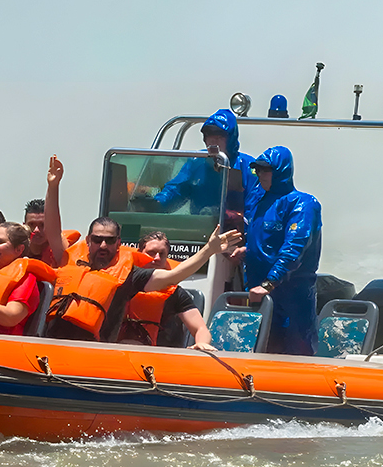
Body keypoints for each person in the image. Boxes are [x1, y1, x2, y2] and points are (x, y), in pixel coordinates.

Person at [43, 155, 239, 341]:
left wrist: (208, 250)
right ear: (89, 240)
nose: (103, 245)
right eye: (98, 239)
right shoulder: (69, 258)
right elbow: (52, 231)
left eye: (110, 240)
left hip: (96, 349)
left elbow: (173, 276)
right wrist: (53, 186)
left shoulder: (130, 275)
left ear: (119, 243)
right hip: (52, 345)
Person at [229, 145, 322, 355]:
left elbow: (294, 247)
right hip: (258, 292)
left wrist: (269, 282)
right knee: (260, 348)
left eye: (265, 170)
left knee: (295, 352)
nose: (259, 174)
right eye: (257, 170)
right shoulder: (259, 203)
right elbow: (265, 240)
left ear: (281, 171)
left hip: (291, 297)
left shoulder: (303, 204)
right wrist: (248, 251)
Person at [143, 108, 257, 217]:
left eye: (219, 136)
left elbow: (256, 205)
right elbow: (176, 190)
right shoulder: (196, 161)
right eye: (209, 135)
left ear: (231, 138)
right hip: (200, 229)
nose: (213, 140)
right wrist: (156, 203)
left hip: (234, 232)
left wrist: (230, 216)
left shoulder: (248, 166)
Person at [120, 231, 213, 350]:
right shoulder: (122, 283)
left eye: (162, 254)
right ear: (139, 253)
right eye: (151, 253)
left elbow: (201, 329)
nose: (157, 258)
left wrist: (202, 343)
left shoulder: (175, 293)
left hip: (160, 357)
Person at [22, 199, 79, 266]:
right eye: (31, 224)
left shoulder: (60, 249)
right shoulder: (15, 250)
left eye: (42, 225)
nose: (36, 230)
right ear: (24, 226)